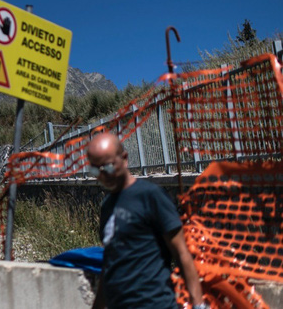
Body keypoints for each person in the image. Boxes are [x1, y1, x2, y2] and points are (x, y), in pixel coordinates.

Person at [88, 132, 206, 309]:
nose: (103, 175)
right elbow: (110, 264)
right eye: (95, 170)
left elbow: (182, 254)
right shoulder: (107, 206)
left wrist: (199, 306)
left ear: (125, 158)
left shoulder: (150, 196)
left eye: (108, 167)